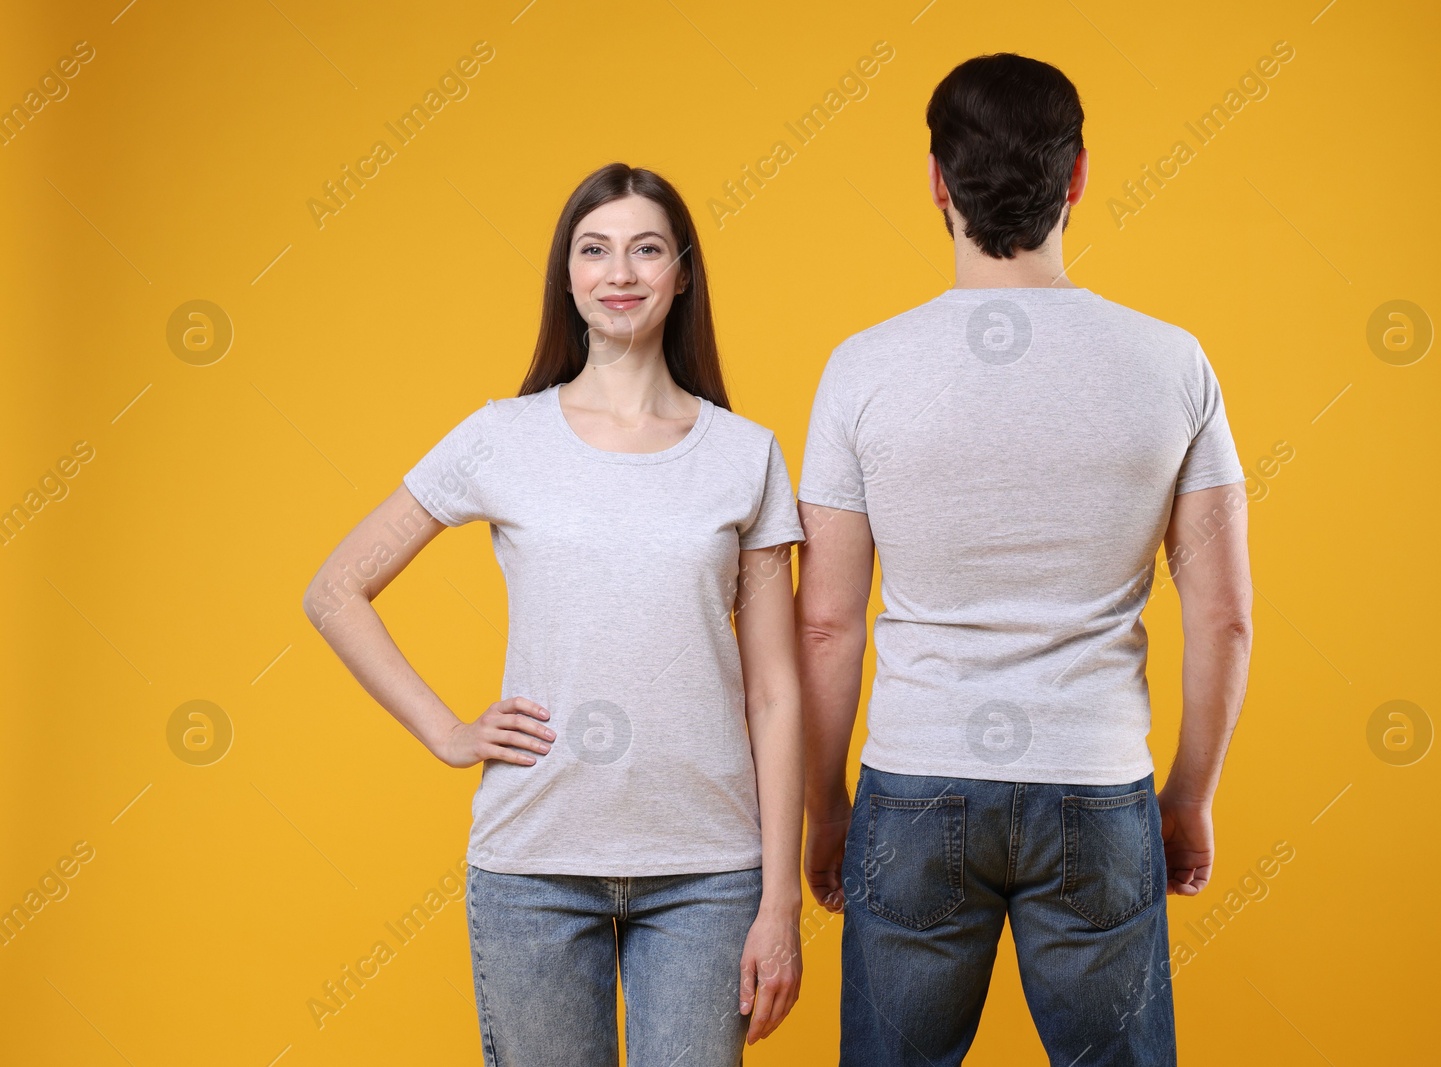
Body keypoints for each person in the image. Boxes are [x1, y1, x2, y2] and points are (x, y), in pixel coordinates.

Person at [795, 54, 1253, 1066]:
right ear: (1077, 175)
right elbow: (1221, 616)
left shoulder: (861, 369)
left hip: (912, 784)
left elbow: (823, 621)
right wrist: (1188, 795)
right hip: (1095, 783)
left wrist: (826, 804)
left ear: (935, 181)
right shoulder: (1171, 364)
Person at [303, 163, 805, 1067]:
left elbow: (775, 691)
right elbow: (335, 590)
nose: (620, 271)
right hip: (532, 864)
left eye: (646, 248)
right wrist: (448, 731)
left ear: (682, 273)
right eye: (594, 249)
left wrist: (779, 902)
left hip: (705, 871)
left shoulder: (745, 454)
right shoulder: (503, 436)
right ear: (567, 276)